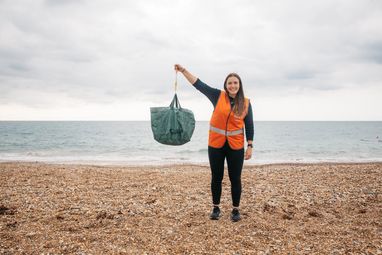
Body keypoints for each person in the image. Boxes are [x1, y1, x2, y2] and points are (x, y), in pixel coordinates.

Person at [174, 64, 254, 222]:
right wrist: (183, 71)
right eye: (230, 83)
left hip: (236, 147)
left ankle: (235, 210)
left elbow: (249, 125)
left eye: (235, 83)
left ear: (240, 85)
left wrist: (250, 145)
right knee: (216, 177)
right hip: (216, 145)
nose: (232, 85)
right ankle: (216, 208)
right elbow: (199, 85)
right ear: (226, 85)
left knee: (235, 178)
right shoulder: (217, 96)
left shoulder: (245, 103)